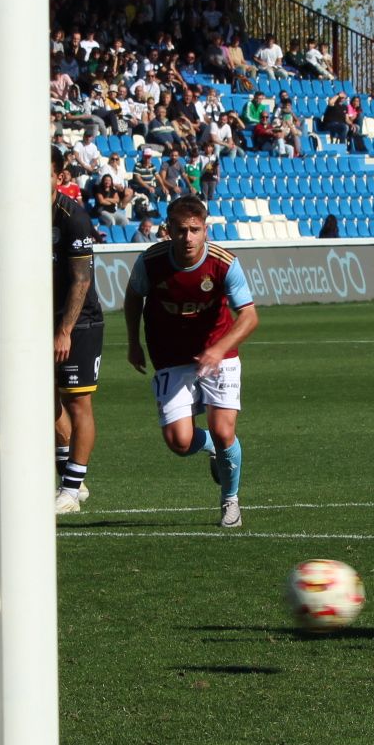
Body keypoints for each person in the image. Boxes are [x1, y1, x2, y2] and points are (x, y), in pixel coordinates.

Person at [124, 196, 260, 528]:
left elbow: (249, 316)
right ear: (167, 229)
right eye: (181, 230)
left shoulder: (224, 263)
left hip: (219, 351)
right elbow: (132, 297)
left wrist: (219, 348)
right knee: (179, 442)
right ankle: (213, 447)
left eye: (195, 230)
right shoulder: (151, 261)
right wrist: (132, 342)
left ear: (205, 230)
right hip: (169, 354)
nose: (188, 238)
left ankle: (230, 500)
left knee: (224, 427)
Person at [52, 147, 103, 514]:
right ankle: (71, 481)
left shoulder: (73, 219)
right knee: (43, 404)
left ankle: (69, 492)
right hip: (36, 321)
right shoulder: (19, 216)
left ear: (59, 176)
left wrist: (65, 330)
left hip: (79, 322)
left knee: (77, 401)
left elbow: (81, 280)